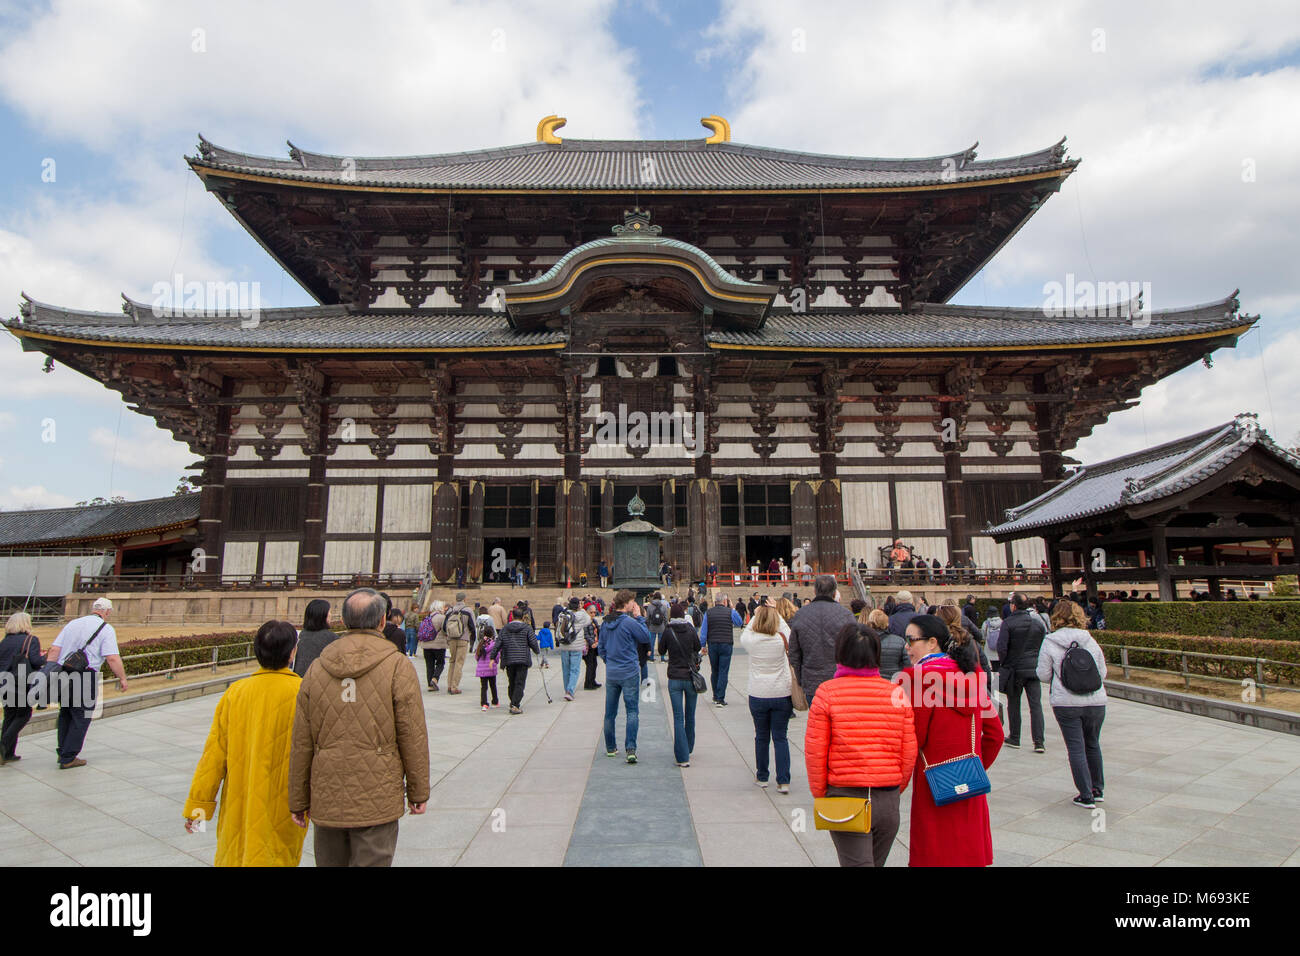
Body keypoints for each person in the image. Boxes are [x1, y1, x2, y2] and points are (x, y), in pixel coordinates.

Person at [289, 588, 429, 867]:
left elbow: (302, 741)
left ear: (343, 622)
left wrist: (298, 799)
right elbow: (411, 735)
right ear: (382, 622)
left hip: (327, 794)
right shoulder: (397, 666)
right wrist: (418, 791)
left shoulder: (317, 668)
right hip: (376, 795)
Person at [183, 620, 307, 866]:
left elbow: (213, 758)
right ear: (293, 651)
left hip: (239, 806)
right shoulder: (304, 692)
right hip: (285, 807)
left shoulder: (235, 693)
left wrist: (197, 811)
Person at [805, 622, 917, 867]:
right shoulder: (896, 693)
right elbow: (908, 749)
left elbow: (815, 750)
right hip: (887, 797)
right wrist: (896, 788)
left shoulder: (827, 692)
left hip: (845, 793)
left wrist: (820, 792)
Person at [900, 613, 1003, 867]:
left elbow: (915, 738)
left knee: (934, 852)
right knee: (967, 852)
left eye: (911, 640)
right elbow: (996, 734)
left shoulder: (917, 680)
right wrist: (973, 767)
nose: (906, 646)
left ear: (932, 642)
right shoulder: (970, 674)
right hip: (968, 779)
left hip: (932, 780)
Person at [1036, 600, 1108, 808]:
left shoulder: (1050, 641)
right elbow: (1102, 672)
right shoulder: (1089, 640)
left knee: (1076, 747)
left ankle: (1085, 794)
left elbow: (1043, 674)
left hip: (1066, 702)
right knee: (1093, 743)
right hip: (1095, 700)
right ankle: (1097, 788)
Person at [46, 597, 128, 769]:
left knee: (66, 713)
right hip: (85, 676)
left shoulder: (72, 624)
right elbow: (112, 657)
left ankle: (62, 750)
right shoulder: (106, 629)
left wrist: (47, 672)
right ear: (107, 612)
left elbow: (54, 650)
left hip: (64, 673)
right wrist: (122, 677)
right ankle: (69, 756)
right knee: (81, 716)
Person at [740, 605, 794, 792]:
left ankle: (762, 776)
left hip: (758, 693)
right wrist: (775, 613)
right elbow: (787, 630)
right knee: (780, 737)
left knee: (761, 736)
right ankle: (783, 780)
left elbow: (746, 631)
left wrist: (756, 615)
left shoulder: (751, 641)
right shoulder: (781, 639)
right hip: (781, 692)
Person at [598, 590, 651, 763]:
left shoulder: (606, 622)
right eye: (632, 602)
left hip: (612, 672)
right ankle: (630, 748)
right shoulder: (629, 622)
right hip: (629, 671)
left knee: (610, 712)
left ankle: (611, 747)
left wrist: (610, 662)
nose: (633, 604)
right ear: (627, 603)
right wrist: (639, 616)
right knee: (632, 711)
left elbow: (601, 648)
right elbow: (644, 636)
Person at [787, 574, 854, 704]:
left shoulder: (801, 614)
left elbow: (794, 653)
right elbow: (854, 650)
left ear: (815, 591)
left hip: (812, 679)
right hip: (840, 678)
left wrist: (801, 678)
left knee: (817, 721)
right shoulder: (846, 615)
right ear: (835, 592)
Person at [998, 592, 1047, 752]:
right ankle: (1039, 741)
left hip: (1015, 668)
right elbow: (1041, 645)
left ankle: (1015, 737)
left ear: (1013, 605)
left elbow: (1002, 648)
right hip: (1033, 668)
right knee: (1036, 705)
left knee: (1014, 703)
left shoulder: (1008, 623)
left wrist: (1005, 664)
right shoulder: (1037, 623)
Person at [659, 603, 702, 767]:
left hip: (675, 678)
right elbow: (697, 647)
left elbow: (661, 651)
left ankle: (682, 756)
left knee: (678, 717)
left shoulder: (668, 631)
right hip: (690, 677)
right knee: (690, 714)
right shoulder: (690, 630)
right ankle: (688, 746)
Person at [1, 612, 43, 765]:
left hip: (4, 683)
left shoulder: (4, 641)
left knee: (10, 716)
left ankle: (7, 753)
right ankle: (3, 746)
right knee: (24, 715)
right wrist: (47, 656)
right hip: (20, 683)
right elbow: (36, 662)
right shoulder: (31, 640)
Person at [491, 607, 540, 714]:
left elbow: (498, 643)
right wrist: (537, 651)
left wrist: (492, 657)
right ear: (523, 617)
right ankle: (515, 704)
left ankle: (513, 701)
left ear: (512, 616)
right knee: (520, 683)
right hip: (522, 659)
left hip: (509, 658)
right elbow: (533, 642)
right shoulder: (527, 628)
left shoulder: (505, 629)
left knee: (511, 682)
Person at [701, 594, 743, 706]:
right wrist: (732, 608)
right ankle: (720, 698)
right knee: (723, 671)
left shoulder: (708, 613)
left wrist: (703, 645)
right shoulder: (730, 612)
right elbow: (739, 623)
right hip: (726, 643)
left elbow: (704, 630)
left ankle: (715, 695)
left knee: (714, 670)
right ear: (725, 601)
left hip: (712, 643)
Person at [555, 597, 589, 701]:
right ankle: (570, 690)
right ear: (579, 605)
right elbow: (588, 621)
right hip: (576, 645)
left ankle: (567, 690)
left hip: (565, 645)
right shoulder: (582, 615)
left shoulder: (563, 614)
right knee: (575, 669)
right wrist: (582, 609)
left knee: (566, 669)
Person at [292, 599, 336, 678]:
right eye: (329, 612)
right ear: (323, 615)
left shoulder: (297, 636)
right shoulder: (333, 639)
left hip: (298, 682)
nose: (331, 615)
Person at [443, 593, 476, 695]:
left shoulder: (450, 610)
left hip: (451, 638)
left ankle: (449, 684)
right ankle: (454, 686)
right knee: (459, 662)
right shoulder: (468, 610)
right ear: (464, 599)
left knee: (452, 661)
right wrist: (472, 639)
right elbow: (472, 626)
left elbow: (445, 626)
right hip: (463, 638)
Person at [863, 607, 908, 680]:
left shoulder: (863, 641)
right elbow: (907, 665)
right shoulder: (900, 641)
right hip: (893, 682)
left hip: (871, 682)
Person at [417, 600, 447, 691]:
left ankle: (430, 685)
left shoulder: (427, 617)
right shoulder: (442, 617)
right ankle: (435, 679)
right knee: (440, 663)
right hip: (439, 645)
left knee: (429, 665)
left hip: (426, 645)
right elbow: (445, 630)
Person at [475, 616, 501, 710]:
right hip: (491, 668)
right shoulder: (494, 644)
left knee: (484, 686)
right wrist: (496, 662)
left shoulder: (481, 643)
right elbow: (497, 655)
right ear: (493, 634)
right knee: (493, 685)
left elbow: (476, 656)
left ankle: (484, 703)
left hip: (482, 669)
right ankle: (495, 701)